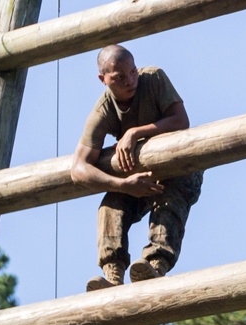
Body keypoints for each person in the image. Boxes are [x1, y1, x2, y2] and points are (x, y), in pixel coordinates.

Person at [71, 45, 203, 291]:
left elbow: (181, 120)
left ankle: (155, 265)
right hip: (139, 179)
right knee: (111, 205)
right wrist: (123, 185)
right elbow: (78, 168)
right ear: (103, 79)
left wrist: (134, 133)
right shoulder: (104, 110)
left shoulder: (153, 79)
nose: (130, 80)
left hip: (179, 171)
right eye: (120, 77)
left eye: (132, 72)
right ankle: (113, 273)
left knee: (169, 202)